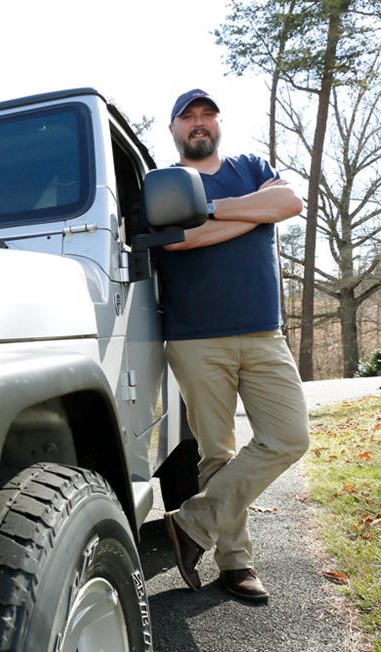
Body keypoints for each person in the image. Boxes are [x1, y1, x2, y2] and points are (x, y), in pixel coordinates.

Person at [154, 89, 310, 601]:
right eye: (188, 118)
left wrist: (211, 208)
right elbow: (176, 240)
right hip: (196, 339)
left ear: (217, 123)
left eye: (206, 115)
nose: (198, 124)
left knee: (289, 437)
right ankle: (236, 564)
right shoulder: (163, 183)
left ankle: (190, 524)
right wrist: (253, 215)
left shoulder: (249, 165)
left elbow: (288, 202)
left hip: (265, 332)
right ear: (174, 129)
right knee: (216, 452)